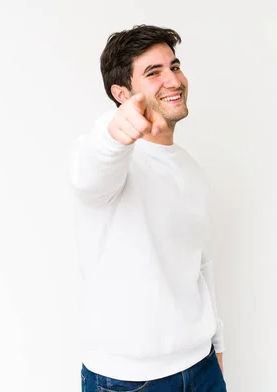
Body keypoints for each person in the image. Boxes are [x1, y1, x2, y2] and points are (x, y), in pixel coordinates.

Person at [69, 24, 227, 391]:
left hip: (200, 367)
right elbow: (90, 174)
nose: (172, 79)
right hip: (127, 381)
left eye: (174, 66)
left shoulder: (190, 168)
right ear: (122, 93)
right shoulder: (110, 159)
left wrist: (216, 344)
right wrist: (113, 133)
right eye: (153, 73)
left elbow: (199, 263)